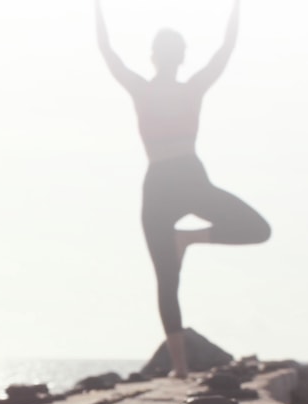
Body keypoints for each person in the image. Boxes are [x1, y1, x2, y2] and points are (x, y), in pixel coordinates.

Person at [95, 0, 269, 378]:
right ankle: (190, 240)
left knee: (166, 279)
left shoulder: (142, 89)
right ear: (179, 57)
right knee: (257, 230)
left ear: (154, 57)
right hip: (188, 178)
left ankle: (180, 368)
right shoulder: (192, 88)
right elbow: (225, 50)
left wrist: (97, 10)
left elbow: (108, 53)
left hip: (160, 183)